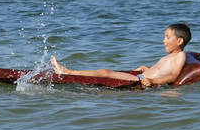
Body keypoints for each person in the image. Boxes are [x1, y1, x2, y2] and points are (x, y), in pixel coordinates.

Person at [50, 24, 191, 87]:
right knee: (106, 72)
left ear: (179, 41)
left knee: (106, 72)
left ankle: (68, 72)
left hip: (140, 81)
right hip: (142, 76)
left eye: (167, 37)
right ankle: (70, 72)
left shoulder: (181, 56)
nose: (163, 40)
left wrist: (152, 82)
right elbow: (160, 70)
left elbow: (173, 75)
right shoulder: (169, 57)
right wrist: (146, 69)